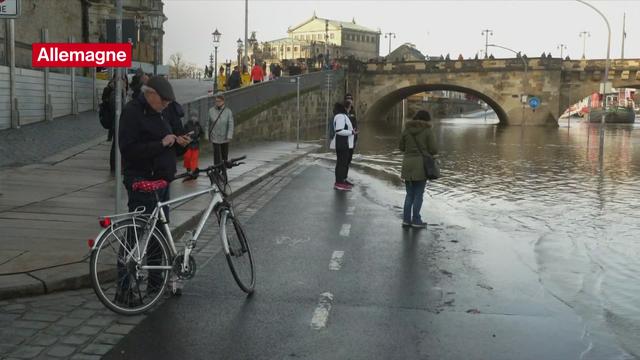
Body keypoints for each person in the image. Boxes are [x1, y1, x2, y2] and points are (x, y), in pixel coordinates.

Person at [118, 76, 192, 301]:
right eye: (164, 102)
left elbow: (168, 147)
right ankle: (123, 289)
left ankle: (156, 283)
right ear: (150, 95)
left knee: (158, 233)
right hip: (142, 182)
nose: (167, 106)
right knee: (135, 234)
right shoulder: (132, 112)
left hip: (161, 182)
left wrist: (179, 145)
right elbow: (128, 150)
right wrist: (161, 144)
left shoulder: (160, 112)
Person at [399, 110, 438, 228]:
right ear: (427, 119)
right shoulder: (427, 131)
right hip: (421, 165)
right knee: (418, 194)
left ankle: (406, 220)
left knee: (409, 194)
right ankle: (416, 220)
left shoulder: (406, 130)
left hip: (407, 165)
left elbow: (401, 147)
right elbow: (433, 149)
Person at [329, 102, 356, 191]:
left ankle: (341, 181)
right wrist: (351, 132)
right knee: (341, 164)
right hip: (342, 143)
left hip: (343, 143)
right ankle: (339, 183)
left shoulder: (340, 116)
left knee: (342, 163)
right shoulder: (340, 116)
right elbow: (339, 130)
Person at [208, 94, 234, 166]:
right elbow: (208, 123)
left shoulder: (228, 111)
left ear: (223, 102)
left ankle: (223, 169)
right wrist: (207, 136)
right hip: (215, 136)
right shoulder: (211, 111)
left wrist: (229, 135)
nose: (217, 103)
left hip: (225, 137)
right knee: (216, 155)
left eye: (219, 101)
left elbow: (231, 124)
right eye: (216, 101)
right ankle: (217, 169)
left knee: (224, 155)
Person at [182, 111, 203, 179]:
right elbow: (184, 134)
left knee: (194, 158)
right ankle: (188, 171)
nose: (194, 118)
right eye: (193, 116)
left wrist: (199, 137)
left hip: (196, 144)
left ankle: (193, 171)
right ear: (190, 117)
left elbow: (202, 133)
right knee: (187, 158)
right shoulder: (187, 125)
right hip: (188, 144)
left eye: (195, 116)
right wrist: (187, 138)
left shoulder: (198, 125)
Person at [344, 94, 358, 185]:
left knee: (348, 160)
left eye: (350, 99)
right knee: (343, 160)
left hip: (352, 139)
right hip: (344, 140)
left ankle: (345, 178)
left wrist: (356, 138)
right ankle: (341, 179)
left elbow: (355, 125)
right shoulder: (342, 112)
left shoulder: (352, 111)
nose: (349, 100)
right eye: (348, 99)